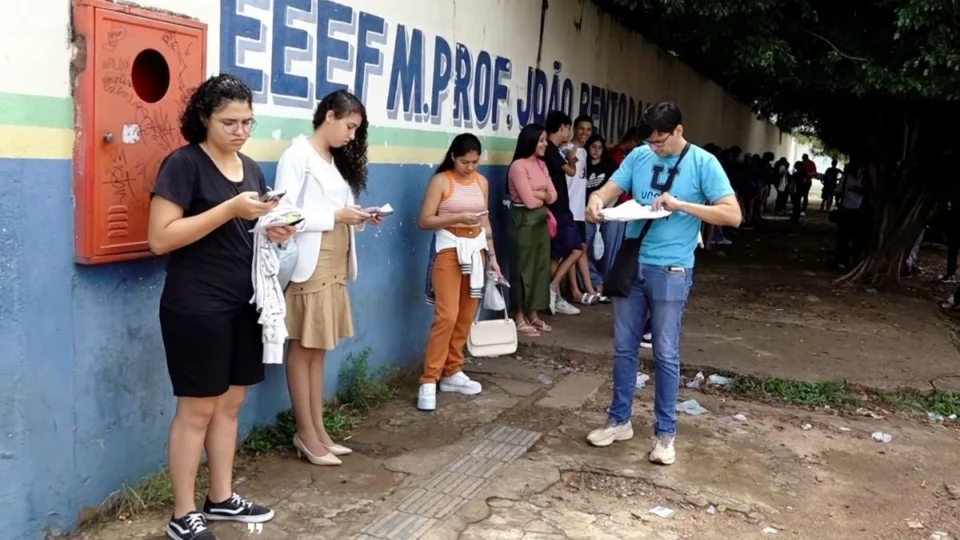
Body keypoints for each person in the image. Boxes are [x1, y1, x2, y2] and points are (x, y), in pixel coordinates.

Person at [148, 74, 292, 540]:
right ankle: (182, 512)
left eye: (248, 121)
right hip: (197, 304)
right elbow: (160, 238)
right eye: (229, 121)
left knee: (231, 403)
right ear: (204, 119)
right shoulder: (183, 165)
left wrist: (273, 229)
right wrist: (231, 209)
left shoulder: (250, 168)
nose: (240, 131)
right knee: (197, 409)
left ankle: (221, 498)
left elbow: (252, 228)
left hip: (244, 300)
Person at [584, 101, 741, 466]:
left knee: (665, 353)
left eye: (660, 141)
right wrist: (596, 200)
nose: (655, 148)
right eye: (650, 142)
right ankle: (618, 420)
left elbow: (733, 214)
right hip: (632, 263)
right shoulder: (638, 156)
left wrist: (683, 205)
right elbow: (609, 189)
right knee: (624, 346)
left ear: (678, 131)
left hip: (671, 268)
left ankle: (665, 435)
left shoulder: (703, 163)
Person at [274, 90, 382, 466]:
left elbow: (336, 209)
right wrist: (336, 218)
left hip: (334, 258)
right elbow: (283, 215)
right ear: (330, 116)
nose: (352, 136)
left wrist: (360, 216)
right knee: (302, 348)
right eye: (349, 126)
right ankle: (305, 433)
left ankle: (317, 430)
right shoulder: (297, 156)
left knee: (317, 349)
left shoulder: (332, 160)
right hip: (310, 260)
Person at [416, 134, 501, 410]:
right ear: (453, 156)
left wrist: (493, 257)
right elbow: (425, 220)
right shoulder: (442, 181)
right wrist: (457, 218)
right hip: (448, 249)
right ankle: (429, 378)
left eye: (475, 162)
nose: (470, 167)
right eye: (465, 161)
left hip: (476, 250)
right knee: (446, 315)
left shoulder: (481, 182)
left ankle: (453, 370)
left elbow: (485, 220)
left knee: (466, 314)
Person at [506, 124, 558, 337]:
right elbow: (528, 202)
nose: (545, 144)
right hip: (523, 222)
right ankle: (518, 315)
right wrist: (542, 195)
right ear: (531, 141)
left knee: (539, 266)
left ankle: (533, 313)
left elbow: (554, 195)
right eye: (542, 140)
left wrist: (543, 195)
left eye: (545, 140)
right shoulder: (519, 166)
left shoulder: (542, 165)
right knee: (522, 269)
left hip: (541, 222)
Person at [543, 111, 583, 316]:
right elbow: (571, 171)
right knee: (576, 249)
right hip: (558, 210)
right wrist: (571, 157)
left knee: (555, 255)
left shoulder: (551, 150)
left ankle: (556, 296)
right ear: (562, 127)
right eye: (568, 127)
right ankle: (553, 287)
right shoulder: (551, 150)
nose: (569, 132)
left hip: (557, 208)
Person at [562, 115, 602, 305]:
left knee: (581, 249)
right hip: (568, 208)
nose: (585, 133)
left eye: (588, 129)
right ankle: (574, 290)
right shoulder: (566, 149)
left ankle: (589, 289)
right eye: (581, 128)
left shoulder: (584, 153)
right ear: (574, 129)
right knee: (573, 249)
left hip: (579, 210)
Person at [583, 133, 620, 298]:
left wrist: (606, 211)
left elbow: (617, 191)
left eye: (599, 147)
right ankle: (596, 281)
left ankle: (608, 283)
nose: (596, 150)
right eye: (593, 147)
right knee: (585, 249)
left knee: (610, 250)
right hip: (587, 215)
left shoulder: (610, 165)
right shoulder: (582, 166)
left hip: (609, 214)